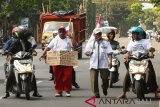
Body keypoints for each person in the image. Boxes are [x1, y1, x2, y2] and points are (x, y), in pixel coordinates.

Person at [117, 26, 160, 99]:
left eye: (135, 34)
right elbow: (128, 51)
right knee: (127, 75)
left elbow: (150, 49)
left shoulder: (146, 41)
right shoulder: (131, 43)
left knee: (152, 74)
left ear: (139, 34)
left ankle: (156, 92)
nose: (133, 35)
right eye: (133, 34)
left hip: (145, 60)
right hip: (134, 61)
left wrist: (150, 53)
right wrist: (126, 55)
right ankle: (123, 93)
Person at [3, 29, 42, 98]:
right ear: (22, 36)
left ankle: (35, 92)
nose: (28, 37)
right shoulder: (15, 43)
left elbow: (32, 50)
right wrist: (9, 54)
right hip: (16, 61)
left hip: (26, 61)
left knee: (32, 75)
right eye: (27, 36)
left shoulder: (28, 43)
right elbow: (10, 50)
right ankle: (7, 92)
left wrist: (34, 52)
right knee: (10, 75)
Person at [41, 26, 73, 97]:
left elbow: (74, 46)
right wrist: (43, 54)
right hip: (56, 59)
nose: (61, 33)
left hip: (66, 59)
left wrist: (72, 38)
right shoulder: (55, 40)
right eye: (60, 31)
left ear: (65, 32)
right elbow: (48, 47)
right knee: (57, 77)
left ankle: (67, 91)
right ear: (58, 32)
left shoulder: (68, 39)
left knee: (68, 76)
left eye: (63, 31)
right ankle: (59, 91)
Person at [85, 28, 112, 98]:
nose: (98, 35)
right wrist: (88, 53)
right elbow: (86, 52)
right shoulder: (91, 42)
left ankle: (104, 87)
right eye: (97, 34)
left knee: (105, 78)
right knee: (93, 79)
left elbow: (109, 52)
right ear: (94, 35)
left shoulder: (106, 42)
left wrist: (110, 62)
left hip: (104, 63)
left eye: (99, 34)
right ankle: (96, 92)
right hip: (94, 63)